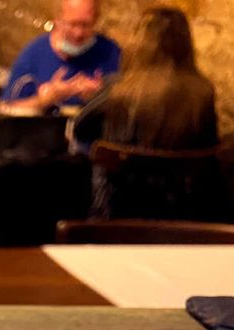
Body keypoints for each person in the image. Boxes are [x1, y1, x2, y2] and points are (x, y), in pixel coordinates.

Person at [70, 6, 221, 219]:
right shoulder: (203, 93)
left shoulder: (119, 89)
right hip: (184, 215)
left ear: (140, 42)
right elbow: (209, 144)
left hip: (116, 212)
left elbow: (80, 128)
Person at [2, 0, 120, 111]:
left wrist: (100, 97)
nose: (78, 33)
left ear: (96, 20)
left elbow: (127, 106)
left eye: (85, 25)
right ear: (57, 20)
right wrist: (46, 100)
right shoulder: (33, 56)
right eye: (72, 24)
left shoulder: (110, 52)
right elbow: (6, 109)